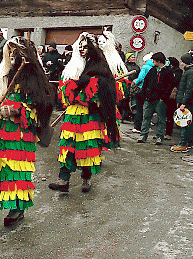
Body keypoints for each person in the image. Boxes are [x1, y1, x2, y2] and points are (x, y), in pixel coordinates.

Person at [0, 37, 55, 227]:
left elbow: (40, 109)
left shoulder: (35, 81)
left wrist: (18, 110)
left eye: (17, 53)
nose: (13, 57)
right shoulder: (4, 77)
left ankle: (17, 209)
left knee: (13, 172)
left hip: (19, 137)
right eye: (11, 53)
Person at [49, 33, 119, 193]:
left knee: (87, 148)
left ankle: (86, 178)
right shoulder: (73, 66)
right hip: (72, 117)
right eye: (80, 46)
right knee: (68, 147)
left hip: (90, 117)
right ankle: (63, 180)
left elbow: (102, 94)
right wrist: (69, 94)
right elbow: (64, 92)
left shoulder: (100, 68)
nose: (82, 49)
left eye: (86, 46)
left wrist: (82, 94)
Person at [137, 52, 172, 145]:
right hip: (149, 97)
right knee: (146, 117)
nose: (152, 62)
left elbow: (169, 86)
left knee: (161, 119)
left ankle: (160, 136)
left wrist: (163, 97)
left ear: (158, 61)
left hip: (160, 99)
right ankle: (143, 135)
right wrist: (144, 93)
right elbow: (146, 82)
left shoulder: (167, 71)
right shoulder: (152, 71)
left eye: (154, 60)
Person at [171, 52, 193, 153]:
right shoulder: (191, 71)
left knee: (184, 121)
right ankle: (188, 142)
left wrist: (183, 102)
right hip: (187, 100)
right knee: (189, 122)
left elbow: (189, 88)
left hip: (188, 101)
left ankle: (183, 144)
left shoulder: (191, 72)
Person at [131, 53, 154, 134]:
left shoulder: (145, 67)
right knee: (146, 109)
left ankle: (137, 126)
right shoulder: (154, 67)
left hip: (141, 89)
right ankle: (145, 127)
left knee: (139, 108)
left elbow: (140, 78)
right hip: (149, 90)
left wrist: (135, 83)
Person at [122, 52, 140, 122]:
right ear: (128, 58)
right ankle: (125, 115)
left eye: (134, 57)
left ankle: (132, 114)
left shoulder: (137, 67)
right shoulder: (125, 66)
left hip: (133, 86)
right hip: (126, 85)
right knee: (125, 100)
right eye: (132, 57)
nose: (134, 58)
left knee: (133, 100)